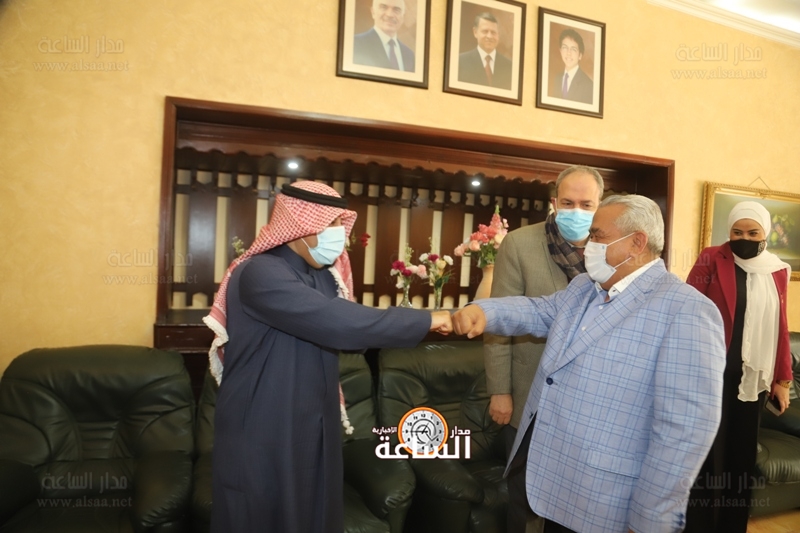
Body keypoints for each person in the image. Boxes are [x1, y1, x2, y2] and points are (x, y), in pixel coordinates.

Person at [454, 195, 727, 533]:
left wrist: (649, 521)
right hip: (556, 481)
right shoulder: (585, 287)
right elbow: (539, 311)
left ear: (637, 243)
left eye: (598, 236)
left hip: (609, 499)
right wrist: (484, 312)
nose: (588, 246)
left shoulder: (687, 311)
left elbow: (684, 431)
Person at [204, 181, 452, 533]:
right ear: (301, 225)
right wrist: (429, 319)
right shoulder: (260, 272)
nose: (340, 234)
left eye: (340, 223)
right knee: (259, 514)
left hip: (315, 423)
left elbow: (352, 336)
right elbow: (340, 323)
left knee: (315, 513)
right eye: (331, 223)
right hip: (263, 424)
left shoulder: (322, 277)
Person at [483, 165, 603, 533]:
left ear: (600, 205)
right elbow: (500, 320)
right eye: (568, 203)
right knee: (526, 500)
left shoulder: (609, 248)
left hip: (588, 400)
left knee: (575, 501)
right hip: (529, 395)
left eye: (586, 204)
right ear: (554, 202)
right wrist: (500, 391)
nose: (576, 211)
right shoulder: (520, 243)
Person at [684, 201, 792, 533]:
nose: (744, 238)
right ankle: (698, 526)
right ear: (729, 232)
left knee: (741, 455)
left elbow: (780, 326)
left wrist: (782, 380)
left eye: (753, 233)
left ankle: (732, 525)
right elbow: (688, 310)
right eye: (737, 232)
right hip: (711, 373)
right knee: (707, 454)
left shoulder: (777, 270)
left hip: (752, 379)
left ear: (765, 233)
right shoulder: (711, 258)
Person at [353, 0, 415, 72]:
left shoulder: (409, 55)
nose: (390, 14)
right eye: (383, 8)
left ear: (402, 17)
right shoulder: (355, 44)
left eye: (396, 10)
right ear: (373, 12)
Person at [458, 12, 512, 89]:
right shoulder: (460, 62)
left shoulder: (510, 67)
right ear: (475, 32)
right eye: (485, 31)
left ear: (498, 34)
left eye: (493, 32)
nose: (489, 36)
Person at [550, 28, 593, 104]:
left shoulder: (588, 85)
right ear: (560, 51)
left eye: (573, 49)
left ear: (580, 55)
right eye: (565, 47)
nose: (568, 53)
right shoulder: (557, 79)